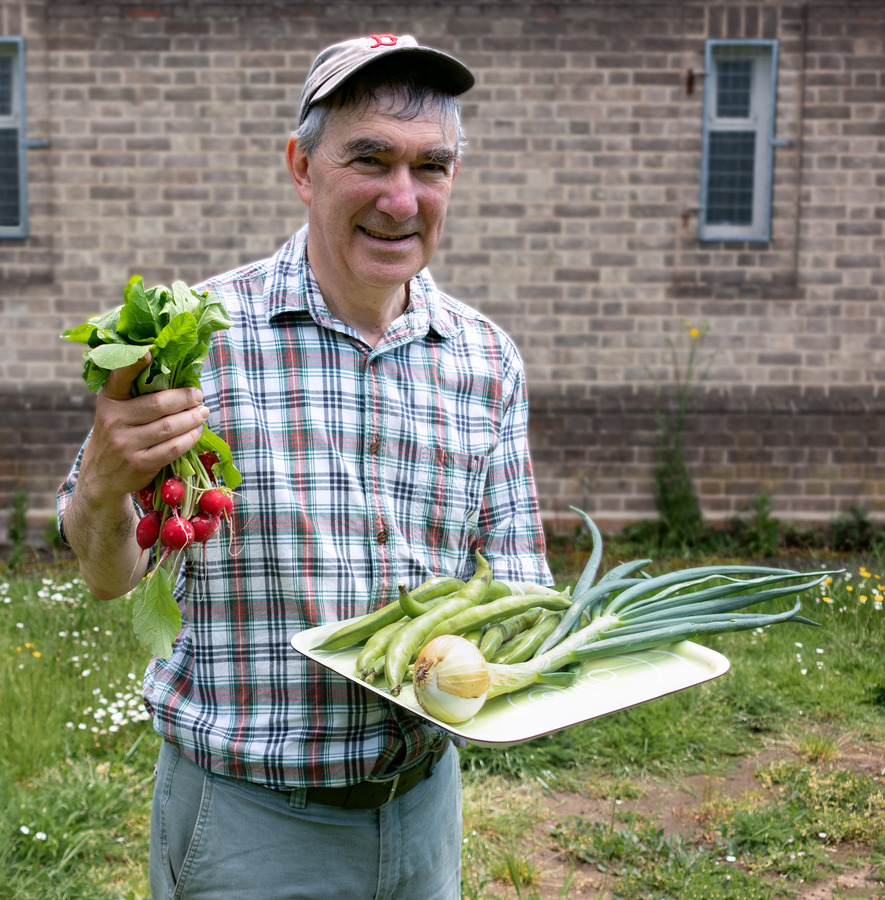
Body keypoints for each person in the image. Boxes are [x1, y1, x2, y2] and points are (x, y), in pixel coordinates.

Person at [58, 34, 551, 900]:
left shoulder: (484, 359)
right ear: (301, 166)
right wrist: (103, 479)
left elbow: (518, 582)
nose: (401, 199)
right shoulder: (197, 337)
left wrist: (565, 659)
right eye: (370, 158)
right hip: (250, 825)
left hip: (424, 807)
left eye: (430, 167)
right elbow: (110, 573)